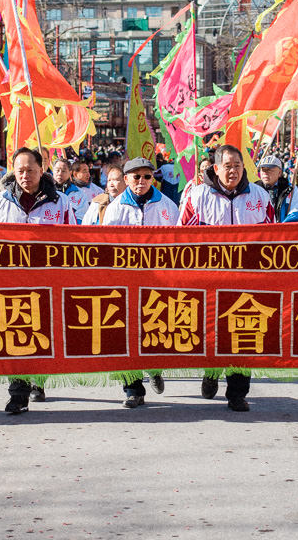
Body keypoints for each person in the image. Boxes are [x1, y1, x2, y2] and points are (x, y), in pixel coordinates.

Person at [179, 144, 274, 412]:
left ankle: (237, 393)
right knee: (213, 333)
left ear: (244, 167)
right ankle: (211, 372)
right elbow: (181, 238)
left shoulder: (259, 195)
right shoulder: (197, 196)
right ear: (216, 168)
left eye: (237, 165)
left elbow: (273, 239)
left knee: (244, 334)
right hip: (209, 281)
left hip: (247, 282)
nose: (233, 171)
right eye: (227, 166)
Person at [0, 147, 76, 414]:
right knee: (15, 335)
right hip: (10, 283)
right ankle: (17, 393)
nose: (25, 175)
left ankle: (39, 379)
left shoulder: (61, 203)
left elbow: (72, 241)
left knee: (43, 335)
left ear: (42, 170)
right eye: (20, 170)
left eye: (31, 170)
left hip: (47, 282)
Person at [101, 157, 177, 408]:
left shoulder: (167, 206)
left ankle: (155, 367)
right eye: (136, 177)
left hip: (159, 282)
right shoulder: (115, 209)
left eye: (147, 176)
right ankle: (132, 388)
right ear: (126, 180)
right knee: (126, 335)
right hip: (125, 282)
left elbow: (177, 245)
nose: (141, 182)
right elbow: (107, 247)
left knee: (155, 330)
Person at [257, 157, 298, 223]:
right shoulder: (254, 189)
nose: (265, 173)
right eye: (263, 170)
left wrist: (281, 229)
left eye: (269, 170)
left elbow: (296, 213)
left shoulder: (290, 189)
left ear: (279, 172)